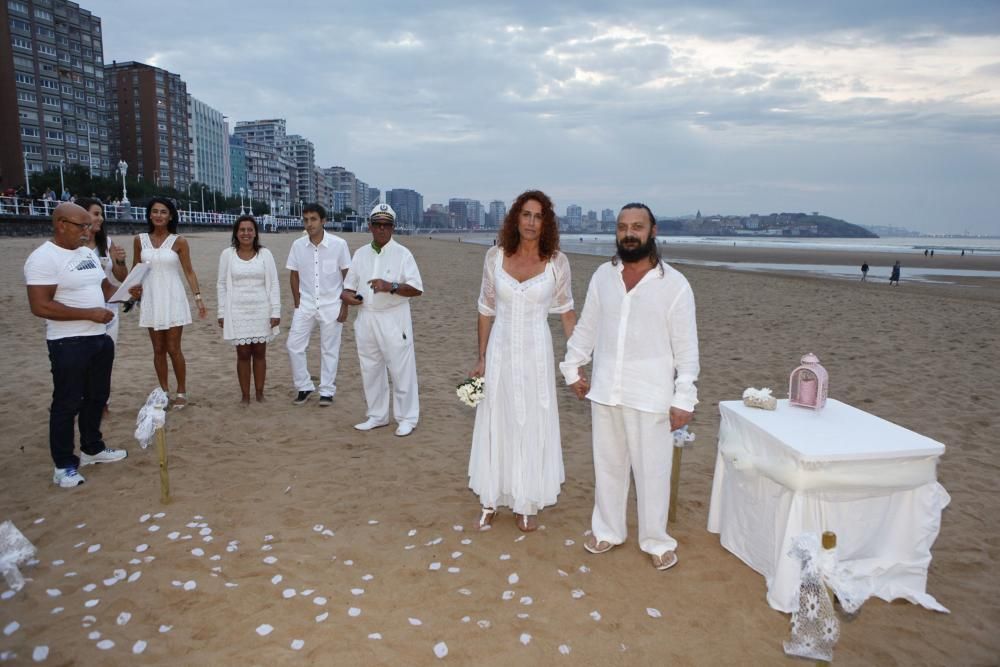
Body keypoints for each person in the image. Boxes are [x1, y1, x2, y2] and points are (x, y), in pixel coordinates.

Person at [560, 203, 700, 571]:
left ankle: (656, 541)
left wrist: (684, 397)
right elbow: (587, 327)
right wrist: (572, 367)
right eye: (622, 227)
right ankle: (607, 530)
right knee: (608, 465)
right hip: (606, 389)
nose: (629, 233)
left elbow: (687, 350)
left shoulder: (676, 286)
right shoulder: (602, 277)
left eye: (637, 226)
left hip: (652, 394)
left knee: (653, 472)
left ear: (653, 231)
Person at [467, 190, 576, 532]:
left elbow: (567, 312)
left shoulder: (557, 262)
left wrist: (577, 360)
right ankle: (491, 497)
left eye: (538, 216)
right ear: (516, 218)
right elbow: (485, 310)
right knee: (497, 418)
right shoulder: (495, 257)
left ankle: (525, 499)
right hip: (499, 349)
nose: (531, 222)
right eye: (526, 215)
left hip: (536, 353)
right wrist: (482, 357)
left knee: (531, 420)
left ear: (546, 223)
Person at [24, 202, 136, 488]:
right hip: (68, 342)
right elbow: (40, 305)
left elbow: (105, 288)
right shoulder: (43, 258)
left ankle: (92, 448)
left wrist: (127, 292)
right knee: (67, 402)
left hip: (99, 336)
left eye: (89, 226)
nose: (88, 232)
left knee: (97, 396)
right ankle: (63, 465)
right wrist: (88, 313)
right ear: (61, 224)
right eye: (82, 226)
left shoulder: (87, 253)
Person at [341, 203, 423, 436]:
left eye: (386, 225)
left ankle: (407, 418)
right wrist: (348, 298)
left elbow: (416, 289)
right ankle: (377, 415)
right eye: (377, 224)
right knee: (371, 368)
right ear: (370, 226)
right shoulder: (360, 254)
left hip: (394, 317)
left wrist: (391, 287)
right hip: (366, 316)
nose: (381, 229)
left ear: (393, 228)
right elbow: (347, 288)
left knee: (401, 369)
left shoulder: (403, 254)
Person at [132, 197, 207, 409]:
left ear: (170, 216)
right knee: (158, 348)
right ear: (149, 214)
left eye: (163, 212)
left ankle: (181, 390)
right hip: (152, 298)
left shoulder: (179, 241)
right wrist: (133, 289)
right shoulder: (139, 240)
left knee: (174, 348)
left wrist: (198, 298)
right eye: (154, 211)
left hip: (173, 297)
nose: (158, 215)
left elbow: (189, 271)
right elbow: (135, 270)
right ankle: (164, 391)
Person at [285, 203, 351, 407]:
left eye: (313, 219)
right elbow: (293, 275)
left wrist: (345, 305)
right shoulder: (298, 245)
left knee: (329, 349)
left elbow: (347, 276)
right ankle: (304, 386)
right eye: (305, 220)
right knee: (294, 345)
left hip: (332, 304)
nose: (309, 224)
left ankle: (327, 391)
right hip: (305, 305)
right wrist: (297, 301)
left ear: (323, 221)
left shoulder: (339, 245)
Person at [217, 215, 281, 404]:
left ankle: (260, 393)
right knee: (243, 354)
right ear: (236, 233)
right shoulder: (227, 255)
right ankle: (245, 395)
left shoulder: (265, 254)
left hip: (261, 308)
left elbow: (274, 284)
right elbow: (221, 284)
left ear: (255, 233)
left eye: (250, 230)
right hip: (236, 310)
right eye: (242, 230)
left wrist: (275, 311)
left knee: (260, 353)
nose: (246, 233)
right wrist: (221, 312)